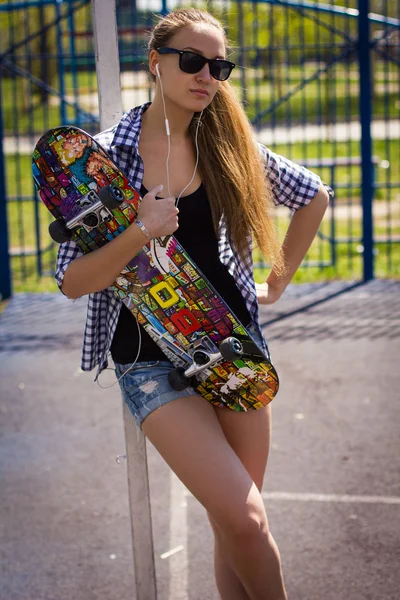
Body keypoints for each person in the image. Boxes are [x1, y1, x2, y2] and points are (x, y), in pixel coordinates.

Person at [56, 7, 332, 600]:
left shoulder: (229, 148)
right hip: (151, 360)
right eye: (191, 60)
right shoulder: (101, 161)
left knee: (234, 526)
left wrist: (277, 282)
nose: (206, 74)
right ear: (156, 62)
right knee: (248, 519)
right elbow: (74, 280)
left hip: (233, 351)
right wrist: (140, 230)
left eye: (218, 65)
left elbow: (313, 195)